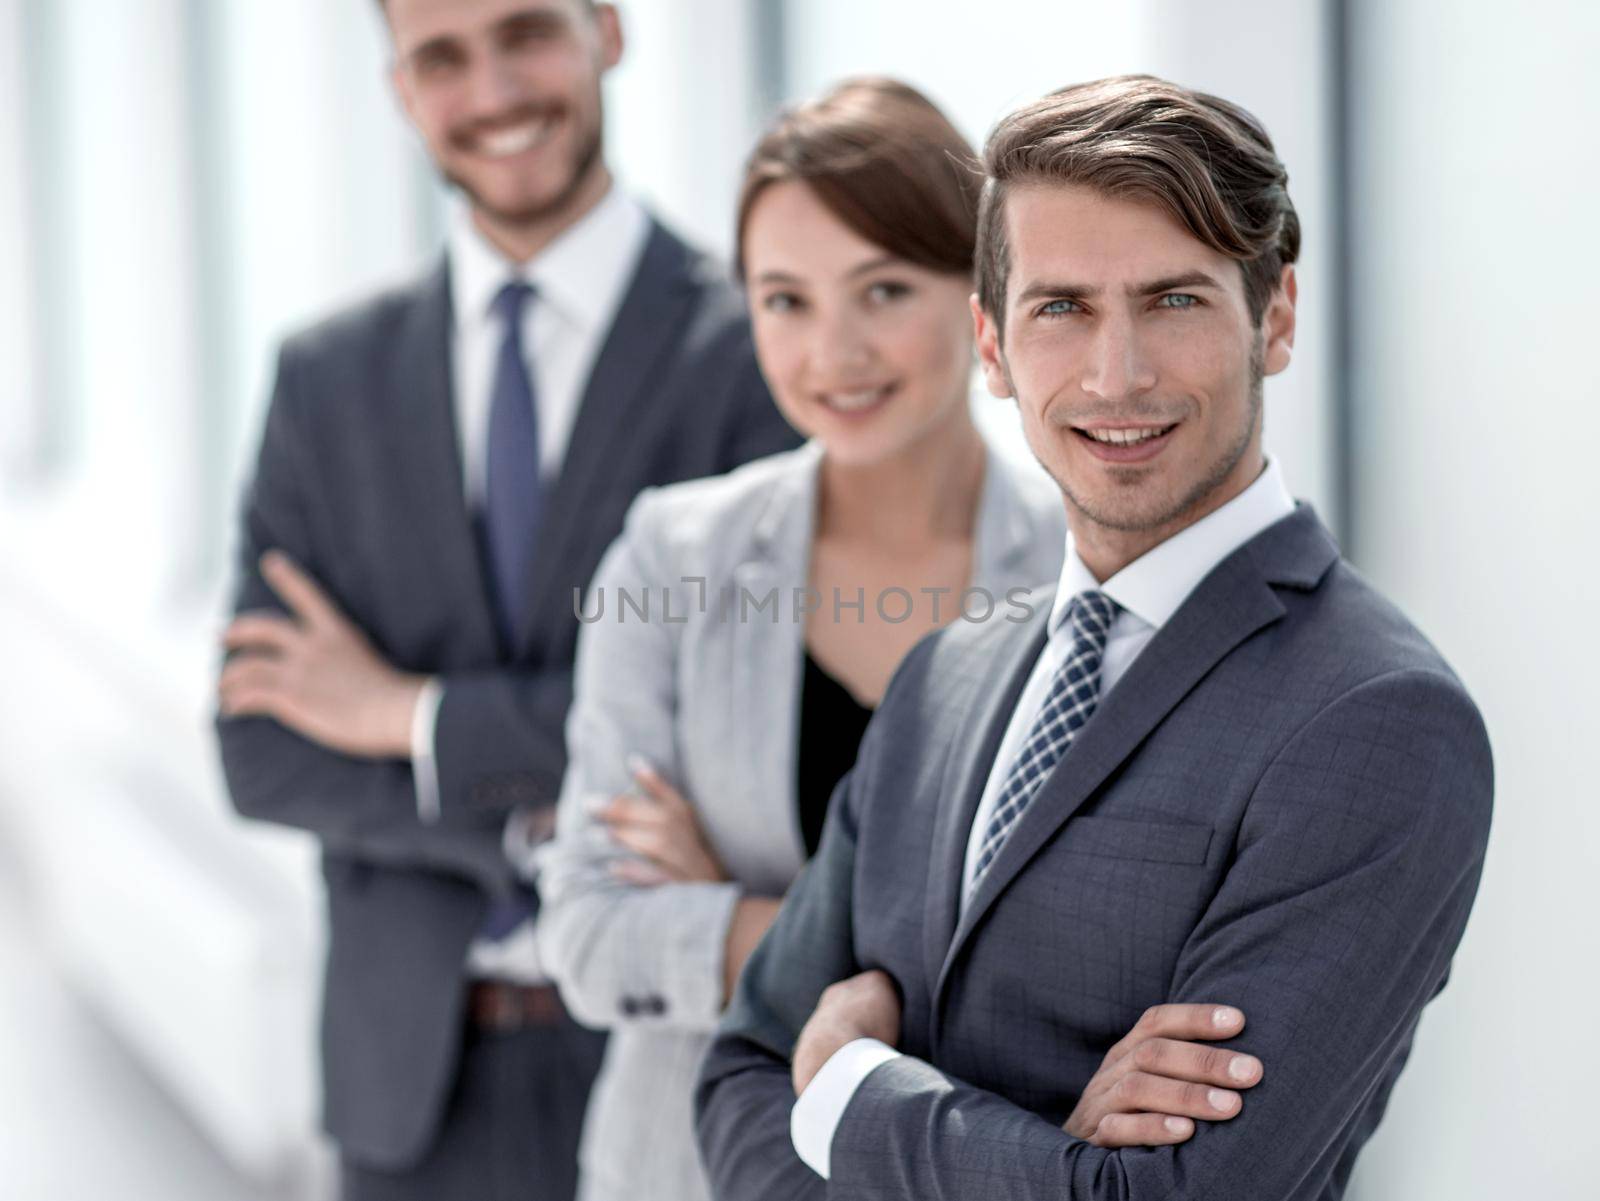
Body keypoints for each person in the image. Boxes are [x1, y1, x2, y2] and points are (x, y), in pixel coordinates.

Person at [696, 74, 1494, 1199]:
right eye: (1060, 308)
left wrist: (850, 1092)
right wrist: (1050, 1152)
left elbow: (1179, 1196)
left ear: (1273, 317)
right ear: (991, 344)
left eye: (1173, 300)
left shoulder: (1377, 719)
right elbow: (738, 1072)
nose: (1115, 376)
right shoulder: (947, 675)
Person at [213, 1, 797, 1198]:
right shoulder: (325, 380)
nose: (490, 92)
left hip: (674, 1062)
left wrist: (410, 718)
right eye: (440, 56)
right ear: (397, 87)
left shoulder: (761, 355)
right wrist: (557, 810)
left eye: (525, 31)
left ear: (610, 32)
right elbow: (262, 747)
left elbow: (748, 737)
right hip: (410, 1088)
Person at [529, 78, 1065, 1201]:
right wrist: (909, 957)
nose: (833, 351)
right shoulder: (675, 557)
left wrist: (733, 911)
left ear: (982, 291)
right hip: (683, 1168)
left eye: (881, 289)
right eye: (784, 300)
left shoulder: (1079, 570)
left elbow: (1089, 956)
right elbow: (586, 932)